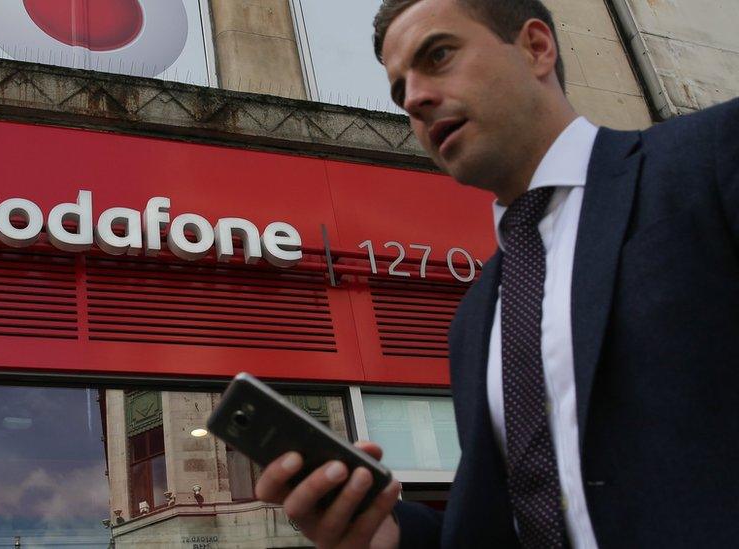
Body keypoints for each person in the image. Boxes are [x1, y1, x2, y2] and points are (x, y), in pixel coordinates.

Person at [254, 0, 739, 547]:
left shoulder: (710, 159)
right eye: (398, 90)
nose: (413, 99)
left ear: (536, 47)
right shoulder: (476, 316)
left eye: (437, 55)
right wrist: (384, 533)